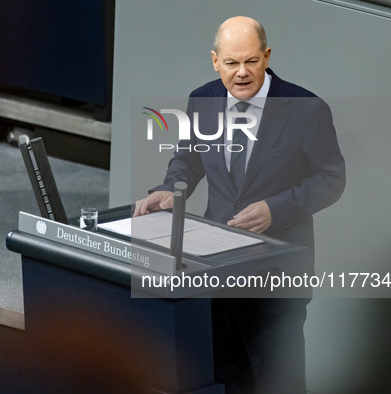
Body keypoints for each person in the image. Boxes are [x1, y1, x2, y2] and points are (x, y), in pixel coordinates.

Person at [134, 16, 345, 393]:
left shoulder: (307, 109)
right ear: (216, 61)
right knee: (223, 381)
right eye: (231, 63)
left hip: (276, 279)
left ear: (266, 56)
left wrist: (275, 209)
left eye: (251, 61)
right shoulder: (202, 100)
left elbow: (331, 180)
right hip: (215, 273)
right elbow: (188, 159)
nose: (242, 73)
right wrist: (171, 190)